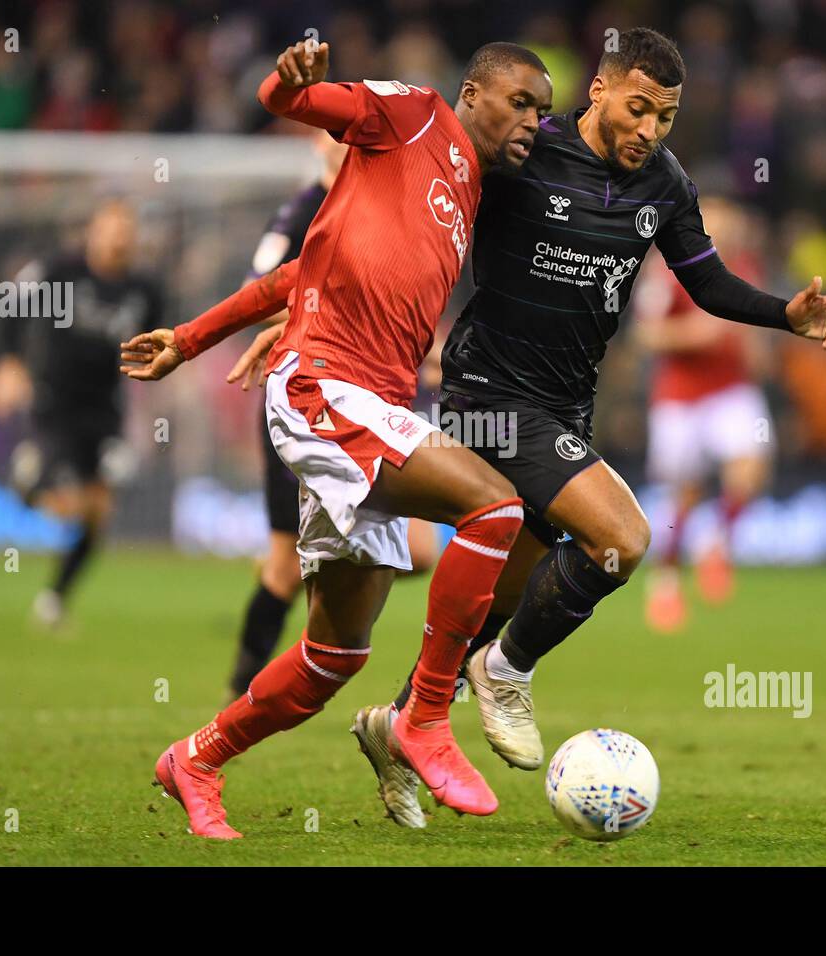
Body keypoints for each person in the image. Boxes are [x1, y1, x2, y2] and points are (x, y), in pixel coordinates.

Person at [241, 28, 826, 826]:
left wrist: (785, 314)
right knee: (621, 540)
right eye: (637, 109)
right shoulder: (526, 152)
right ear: (598, 92)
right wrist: (313, 307)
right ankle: (508, 674)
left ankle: (398, 726)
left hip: (567, 405)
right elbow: (407, 225)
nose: (649, 131)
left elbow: (703, 280)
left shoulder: (665, 185)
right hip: (489, 396)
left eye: (665, 119)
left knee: (493, 601)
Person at [118, 38, 553, 837]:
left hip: (374, 407)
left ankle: (196, 758)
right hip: (324, 387)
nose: (532, 120)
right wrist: (291, 88)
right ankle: (425, 716)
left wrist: (189, 336)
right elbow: (293, 105)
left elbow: (297, 273)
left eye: (543, 112)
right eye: (521, 101)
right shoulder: (415, 116)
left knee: (336, 654)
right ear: (473, 93)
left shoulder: (467, 196)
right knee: (497, 511)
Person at [224, 133, 440, 701]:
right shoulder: (300, 213)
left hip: (371, 400)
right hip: (308, 401)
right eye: (337, 134)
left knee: (418, 553)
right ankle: (238, 694)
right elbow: (258, 291)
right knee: (282, 570)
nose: (351, 145)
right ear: (321, 144)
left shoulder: (385, 207)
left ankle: (319, 621)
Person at [0, 199, 163, 630]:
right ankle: (30, 484)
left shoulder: (145, 290)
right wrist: (10, 362)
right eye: (112, 227)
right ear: (93, 232)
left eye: (127, 228)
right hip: (55, 400)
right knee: (73, 502)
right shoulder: (61, 271)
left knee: (99, 512)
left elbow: (154, 346)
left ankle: (53, 600)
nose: (120, 236)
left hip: (104, 407)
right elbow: (11, 301)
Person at [631, 198, 776, 631]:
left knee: (751, 470)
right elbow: (645, 335)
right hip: (679, 396)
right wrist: (696, 334)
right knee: (685, 496)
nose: (726, 225)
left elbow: (753, 332)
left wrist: (759, 350)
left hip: (731, 388)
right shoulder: (667, 269)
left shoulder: (745, 264)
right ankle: (666, 581)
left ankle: (716, 542)